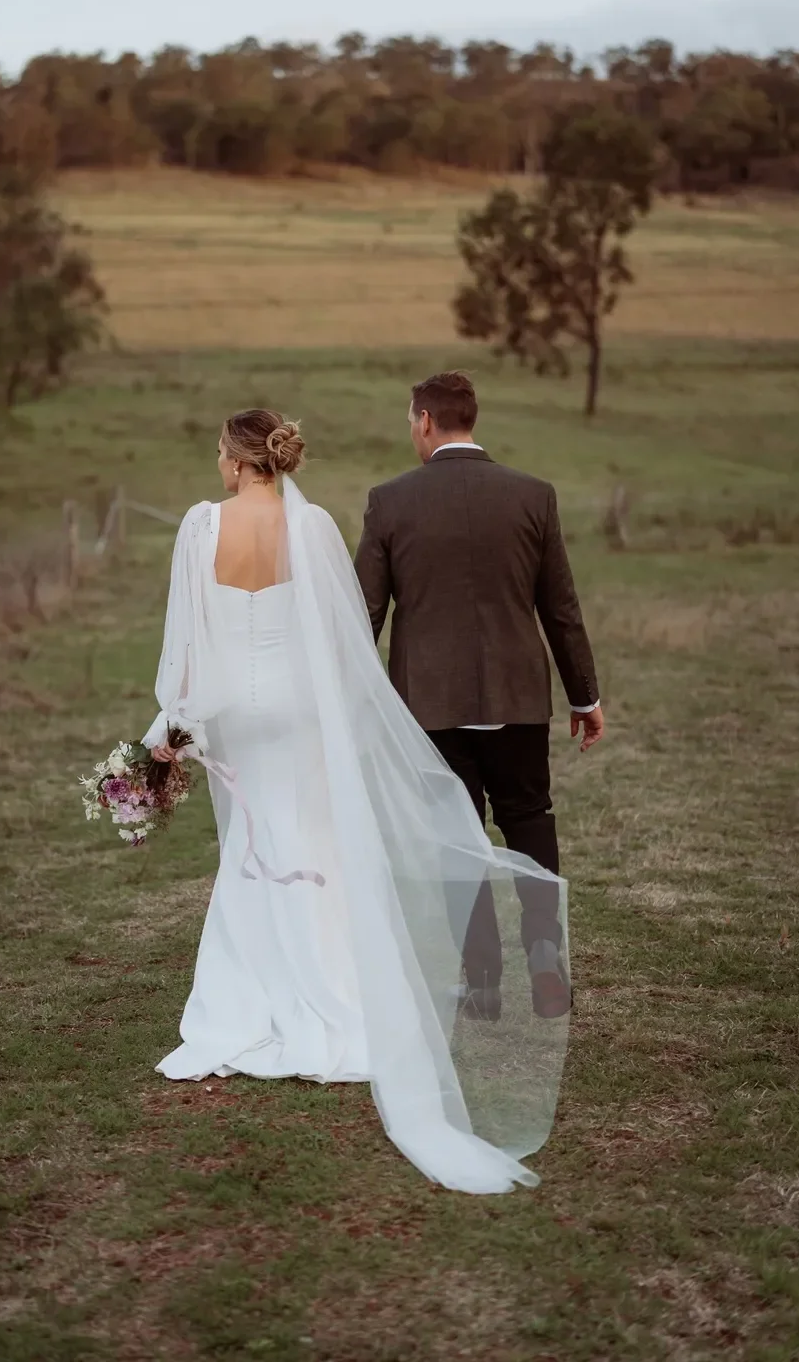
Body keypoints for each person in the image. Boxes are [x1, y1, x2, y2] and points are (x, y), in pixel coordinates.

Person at [144, 408, 572, 1196]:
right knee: (316, 846)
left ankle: (250, 1001)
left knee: (250, 849)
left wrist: (170, 726)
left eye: (218, 454)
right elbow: (341, 637)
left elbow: (188, 642)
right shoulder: (311, 531)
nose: (217, 466)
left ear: (240, 463)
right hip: (300, 711)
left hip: (234, 718)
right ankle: (336, 999)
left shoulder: (200, 529)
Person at [354, 370, 602, 1024]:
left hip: (429, 705)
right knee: (529, 815)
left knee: (456, 837)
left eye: (413, 423)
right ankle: (545, 954)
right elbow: (562, 610)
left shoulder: (389, 501)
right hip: (520, 695)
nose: (413, 432)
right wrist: (585, 697)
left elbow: (363, 615)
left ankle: (483, 981)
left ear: (428, 422)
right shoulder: (533, 496)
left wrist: (354, 700)